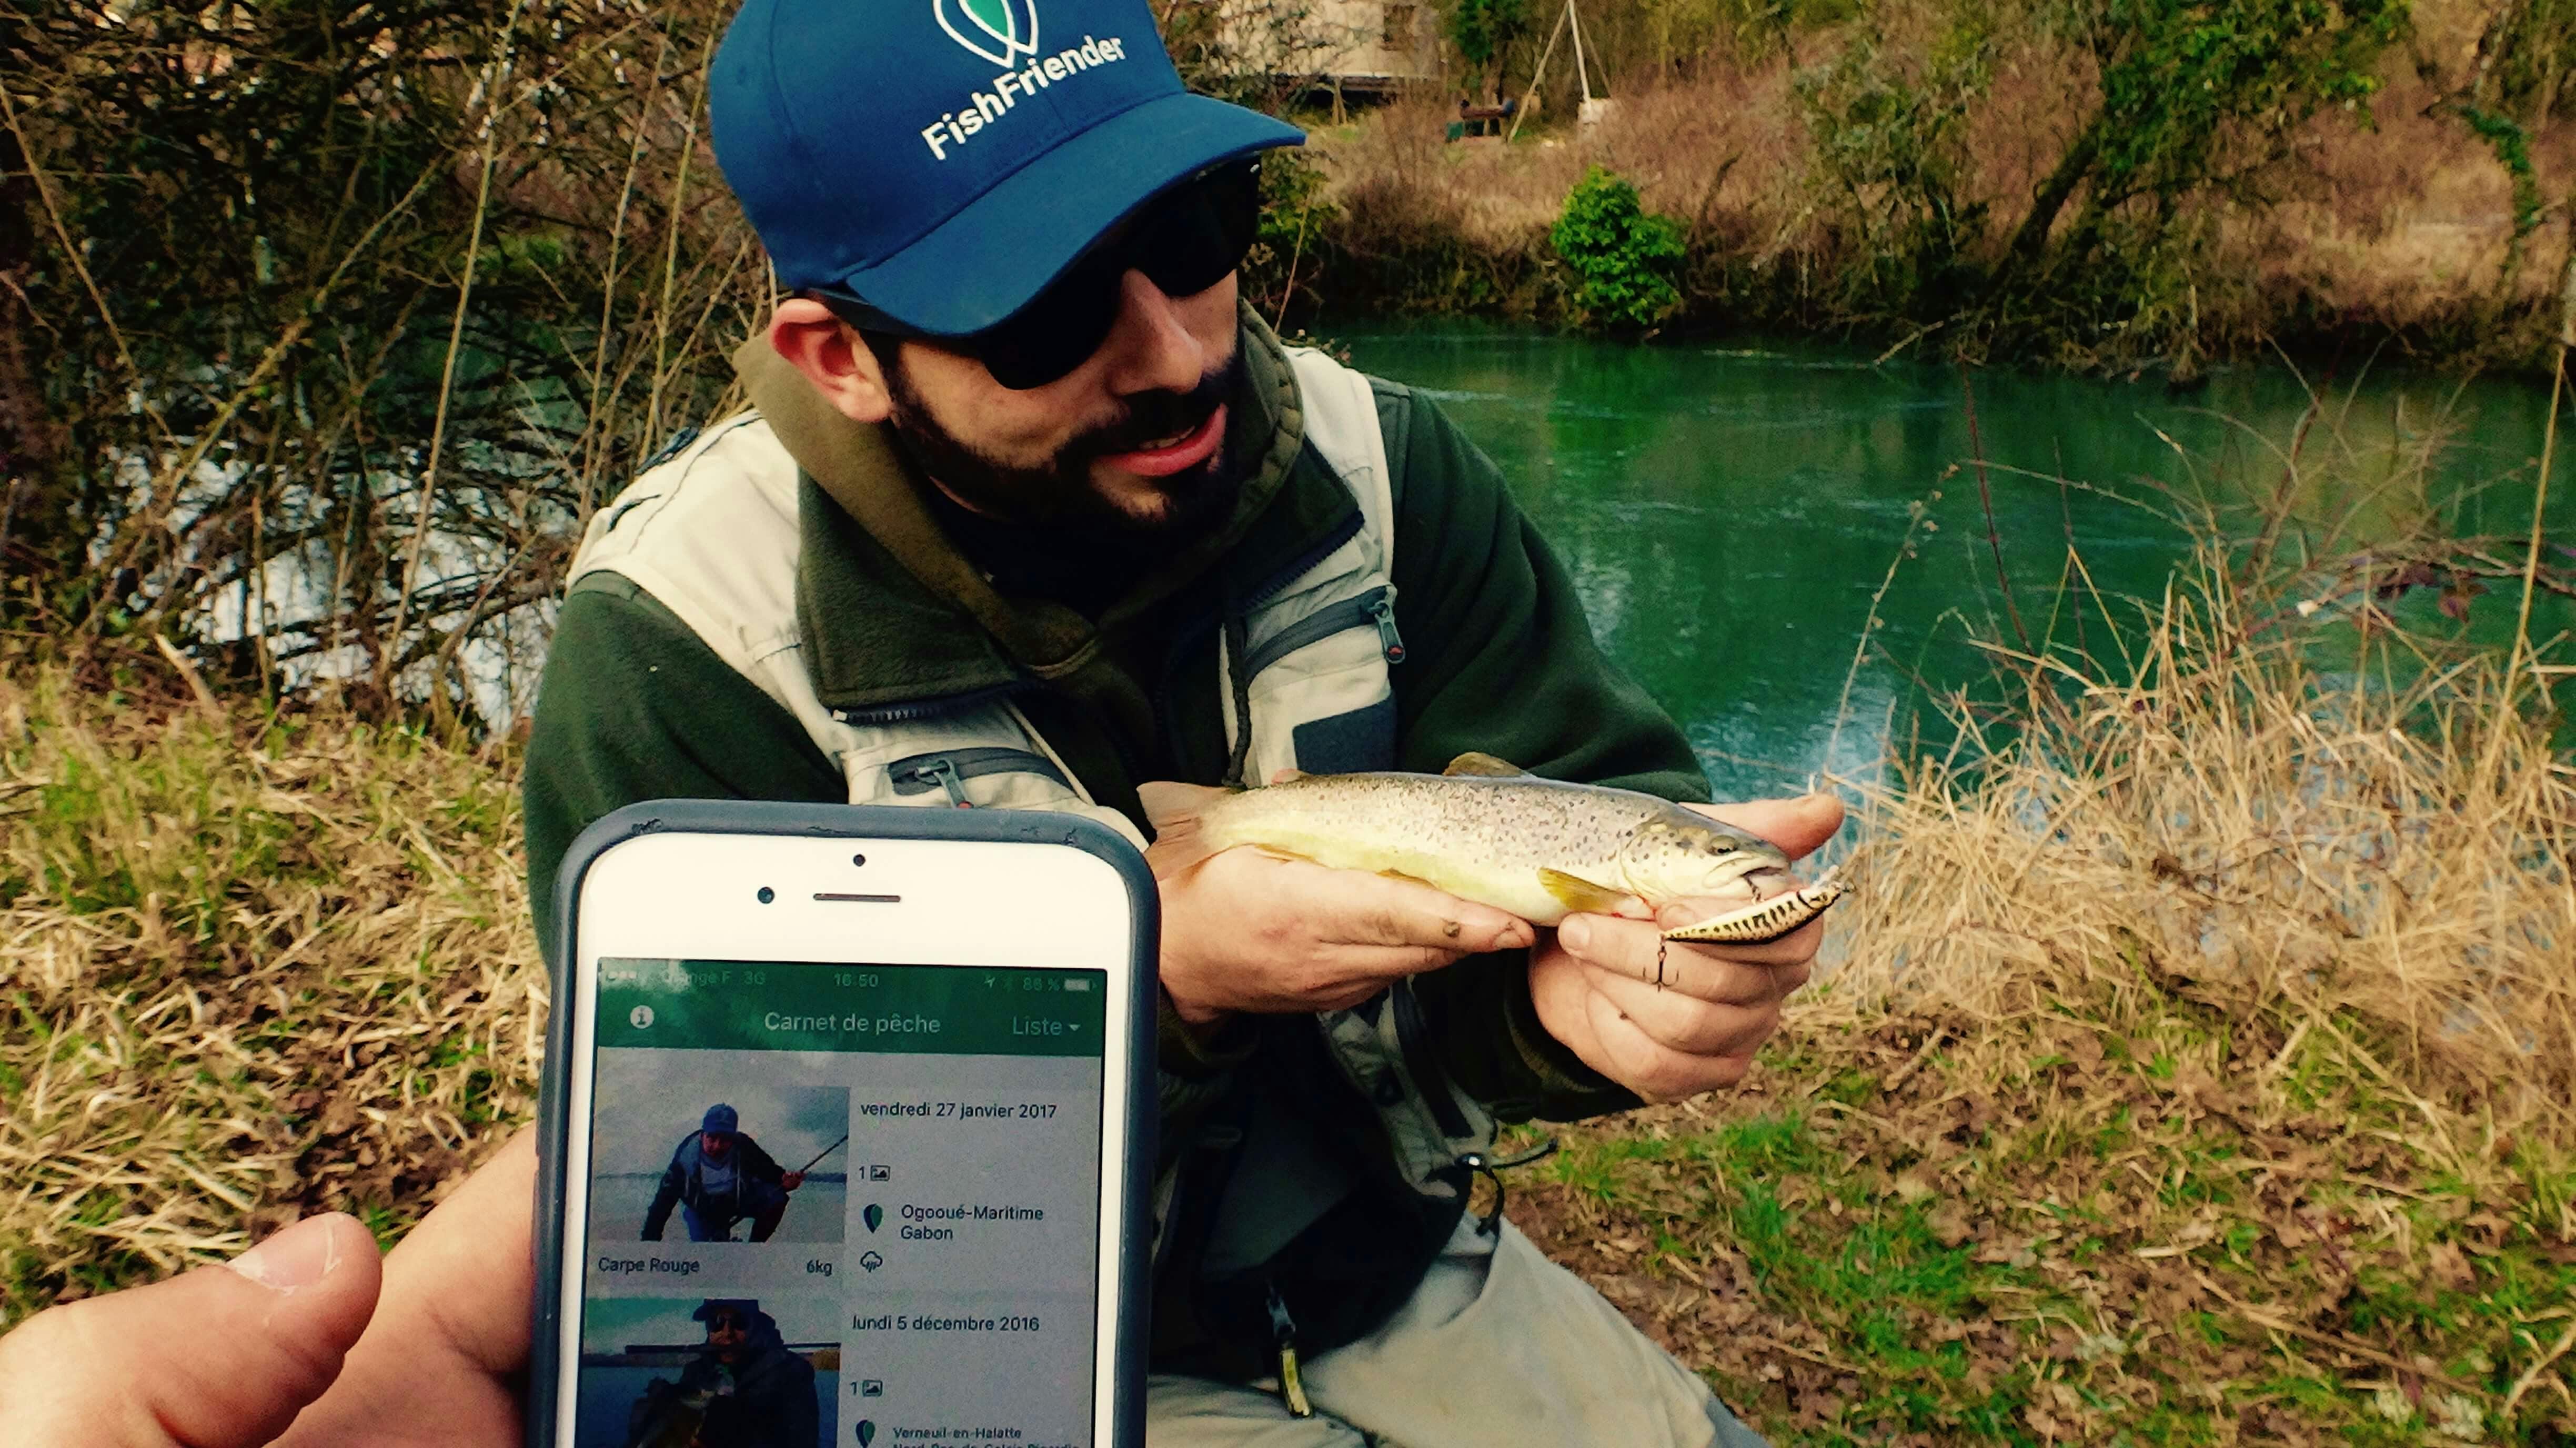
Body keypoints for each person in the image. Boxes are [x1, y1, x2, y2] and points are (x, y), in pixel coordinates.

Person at [516, 0, 1842, 1440]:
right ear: (839, 356)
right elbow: (735, 1231)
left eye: (1195, 226)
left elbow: (1596, 798)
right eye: (1045, 303)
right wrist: (1156, 987)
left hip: (1390, 1276)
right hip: (983, 1367)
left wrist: (1580, 1015)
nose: (1172, 351)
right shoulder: (683, 648)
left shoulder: (1387, 468)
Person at [624, 1299, 820, 1448]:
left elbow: (802, 1441)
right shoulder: (697, 1371)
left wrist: (727, 1422)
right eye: (716, 1322)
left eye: (739, 1322)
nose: (727, 1333)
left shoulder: (791, 1372)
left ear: (757, 1325)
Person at [642, 1105, 806, 1243]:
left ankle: (755, 1249)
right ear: (703, 1135)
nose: (717, 1146)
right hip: (702, 1209)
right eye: (712, 1138)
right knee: (709, 1249)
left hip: (736, 1200)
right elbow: (661, 1206)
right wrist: (648, 1246)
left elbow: (770, 1172)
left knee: (777, 1198)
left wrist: (786, 1181)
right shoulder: (684, 1161)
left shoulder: (744, 1146)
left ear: (733, 1138)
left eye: (725, 1139)